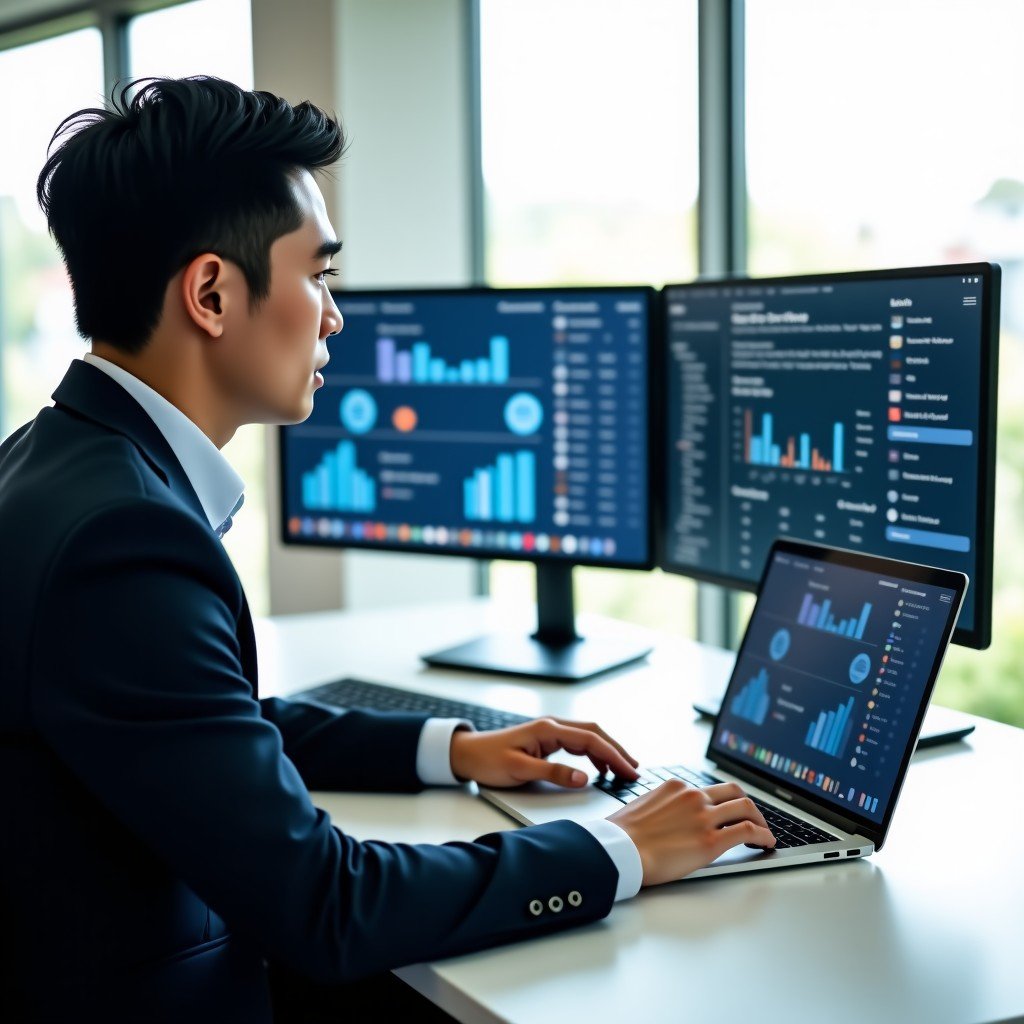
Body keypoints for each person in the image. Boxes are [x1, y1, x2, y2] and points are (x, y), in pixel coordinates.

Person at [0, 77, 775, 1022]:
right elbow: (326, 906)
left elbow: (196, 727)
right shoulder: (124, 540)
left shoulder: (54, 464)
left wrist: (452, 749)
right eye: (318, 275)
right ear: (211, 292)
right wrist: (620, 849)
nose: (333, 316)